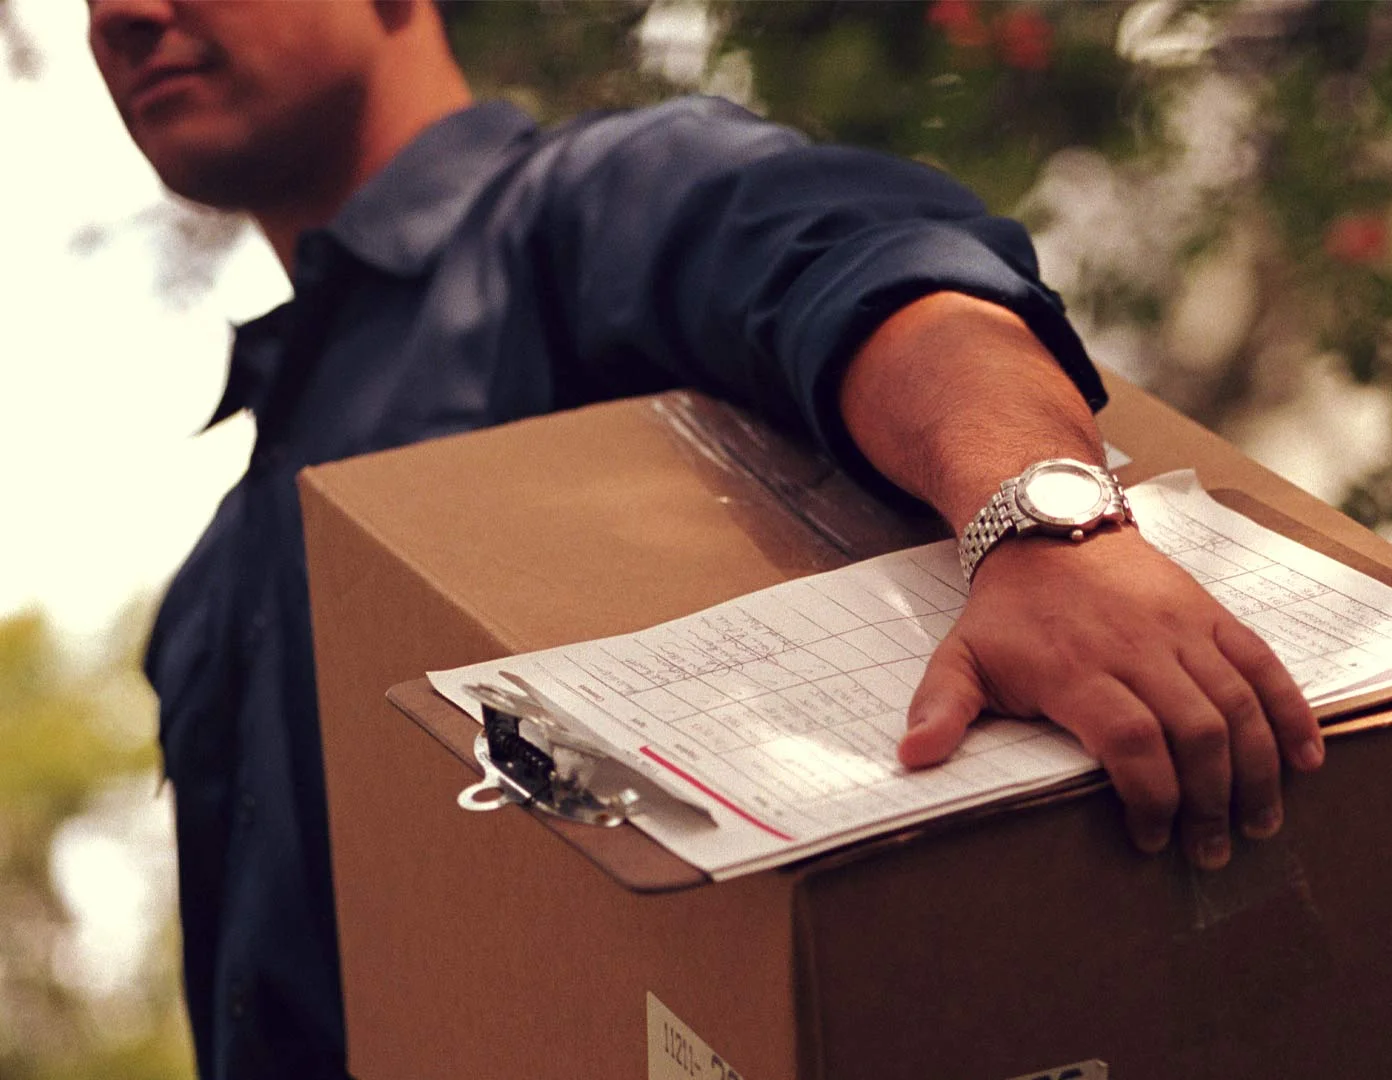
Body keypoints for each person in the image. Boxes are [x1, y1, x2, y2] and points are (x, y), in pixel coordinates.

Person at [86, 1, 1325, 1076]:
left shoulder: (591, 203)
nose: (119, 14)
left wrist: (1048, 528)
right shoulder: (215, 571)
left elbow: (888, 273)